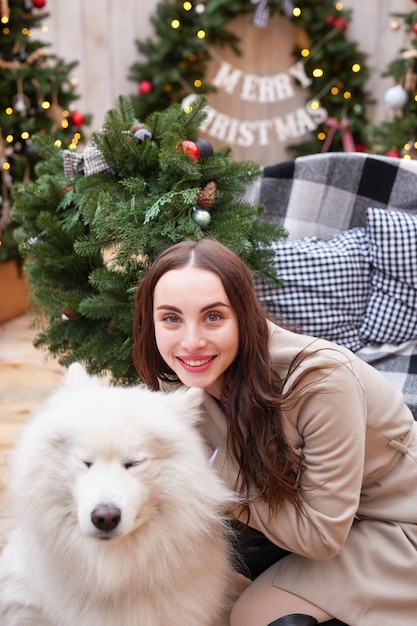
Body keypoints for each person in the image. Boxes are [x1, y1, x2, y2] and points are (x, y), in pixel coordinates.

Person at [132, 238, 417, 626]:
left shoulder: (322, 381)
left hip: (395, 518)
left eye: (213, 316)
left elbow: (320, 536)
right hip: (309, 510)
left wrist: (207, 467)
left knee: (253, 615)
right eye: (171, 318)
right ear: (151, 321)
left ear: (243, 316)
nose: (191, 342)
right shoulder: (177, 377)